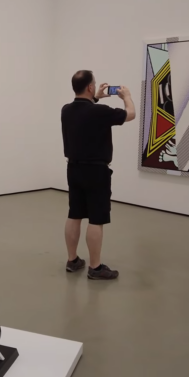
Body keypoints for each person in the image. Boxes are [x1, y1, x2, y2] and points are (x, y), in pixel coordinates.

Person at [61, 70, 135, 280]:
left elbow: (84, 108)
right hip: (96, 171)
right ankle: (95, 267)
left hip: (73, 169)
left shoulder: (66, 110)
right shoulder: (99, 111)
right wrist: (127, 97)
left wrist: (96, 97)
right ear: (90, 87)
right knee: (96, 218)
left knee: (74, 213)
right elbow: (130, 114)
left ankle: (72, 260)